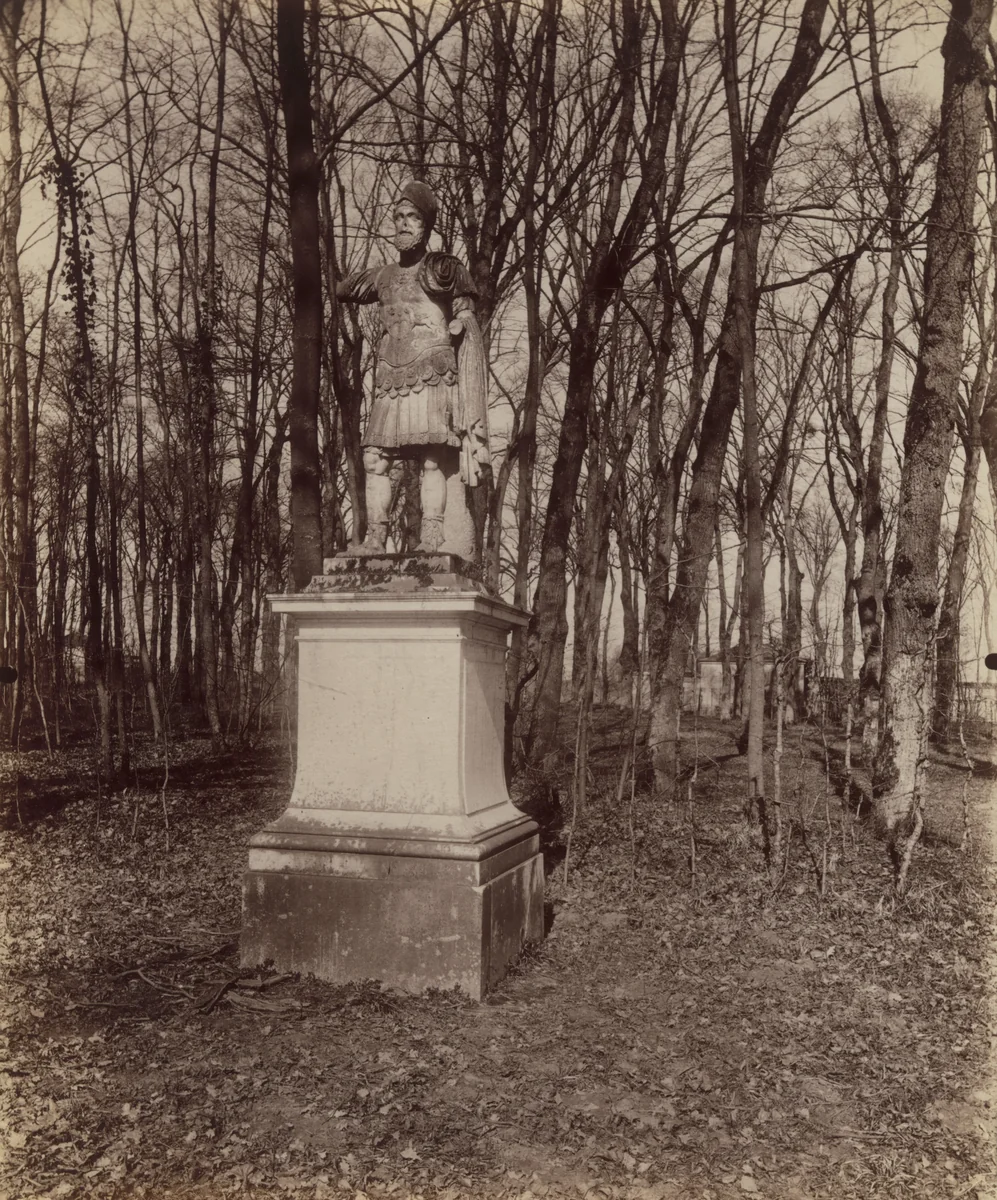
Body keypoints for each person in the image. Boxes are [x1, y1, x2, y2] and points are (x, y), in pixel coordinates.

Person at [336, 181, 490, 556]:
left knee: (432, 459)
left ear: (427, 225)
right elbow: (343, 289)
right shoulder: (383, 275)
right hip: (391, 376)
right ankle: (375, 537)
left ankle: (434, 536)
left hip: (432, 372)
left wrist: (462, 321)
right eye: (398, 217)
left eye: (412, 218)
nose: (403, 225)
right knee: (375, 459)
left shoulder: (443, 267)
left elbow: (466, 305)